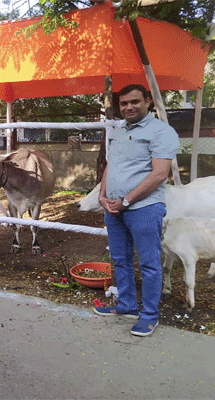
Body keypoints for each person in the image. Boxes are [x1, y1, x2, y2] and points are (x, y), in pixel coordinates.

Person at [93, 84, 180, 337]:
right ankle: (127, 305)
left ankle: (150, 315)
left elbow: (160, 174)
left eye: (134, 102)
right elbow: (111, 165)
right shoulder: (119, 132)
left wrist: (127, 201)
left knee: (150, 263)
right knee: (120, 259)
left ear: (148, 101)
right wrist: (102, 195)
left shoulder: (162, 132)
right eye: (123, 104)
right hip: (114, 208)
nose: (129, 107)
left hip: (144, 207)